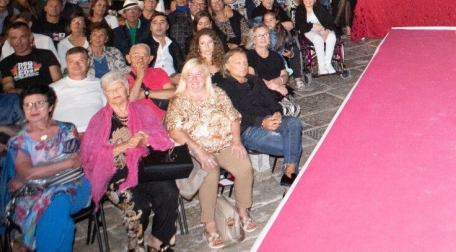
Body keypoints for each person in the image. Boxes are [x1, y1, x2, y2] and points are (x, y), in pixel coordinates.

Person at [80, 70, 180, 252]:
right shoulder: (99, 120)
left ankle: (157, 240)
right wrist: (124, 145)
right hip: (116, 173)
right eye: (110, 90)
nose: (116, 92)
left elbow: (163, 138)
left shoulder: (142, 110)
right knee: (138, 205)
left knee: (169, 192)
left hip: (147, 167)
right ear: (105, 94)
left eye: (119, 87)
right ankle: (136, 244)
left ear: (127, 89)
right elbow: (90, 157)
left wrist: (145, 140)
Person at [165, 59, 256, 248]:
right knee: (210, 172)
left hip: (223, 143)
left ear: (206, 75)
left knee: (244, 165)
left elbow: (234, 117)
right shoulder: (178, 100)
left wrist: (237, 141)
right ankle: (209, 224)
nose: (195, 79)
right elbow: (174, 130)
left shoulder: (218, 93)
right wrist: (199, 151)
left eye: (199, 74)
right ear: (184, 78)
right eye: (189, 75)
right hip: (194, 149)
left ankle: (242, 210)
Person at [0, 85, 91, 252]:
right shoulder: (18, 140)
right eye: (27, 105)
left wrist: (40, 170)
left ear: (51, 106)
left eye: (39, 103)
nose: (33, 108)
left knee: (58, 197)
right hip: (32, 194)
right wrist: (64, 163)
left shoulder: (67, 129)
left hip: (75, 187)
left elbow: (75, 166)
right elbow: (27, 173)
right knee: (64, 223)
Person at [218, 50, 302, 187]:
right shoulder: (224, 87)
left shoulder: (255, 80)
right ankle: (290, 175)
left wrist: (277, 112)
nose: (243, 66)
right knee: (293, 144)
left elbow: (271, 102)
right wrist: (261, 123)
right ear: (227, 66)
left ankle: (289, 172)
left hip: (269, 119)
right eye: (238, 63)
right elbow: (234, 115)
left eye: (245, 62)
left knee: (294, 122)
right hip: (248, 129)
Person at [49, 47, 105, 134]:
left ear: (88, 62)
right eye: (71, 61)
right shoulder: (53, 88)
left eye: (81, 60)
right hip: (63, 135)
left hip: (95, 133)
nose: (76, 65)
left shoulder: (101, 84)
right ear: (66, 64)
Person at [0, 22, 62, 94]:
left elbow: (58, 80)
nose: (19, 41)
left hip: (46, 96)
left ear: (31, 37)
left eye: (23, 37)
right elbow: (8, 89)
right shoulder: (6, 63)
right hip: (20, 100)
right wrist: (31, 94)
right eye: (14, 38)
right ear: (9, 41)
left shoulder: (47, 54)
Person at [296, 0, 338, 76]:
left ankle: (328, 63)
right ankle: (321, 66)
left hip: (323, 29)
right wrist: (313, 25)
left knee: (332, 37)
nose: (309, 0)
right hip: (309, 30)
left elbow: (330, 21)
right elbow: (300, 26)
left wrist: (326, 31)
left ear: (315, 0)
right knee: (318, 38)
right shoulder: (300, 10)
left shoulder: (320, 8)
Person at [246, 24, 291, 95]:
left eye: (266, 34)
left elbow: (285, 75)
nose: (263, 38)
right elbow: (251, 77)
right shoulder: (249, 55)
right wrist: (272, 86)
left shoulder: (276, 55)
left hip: (277, 89)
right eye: (259, 36)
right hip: (259, 91)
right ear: (254, 40)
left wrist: (279, 80)